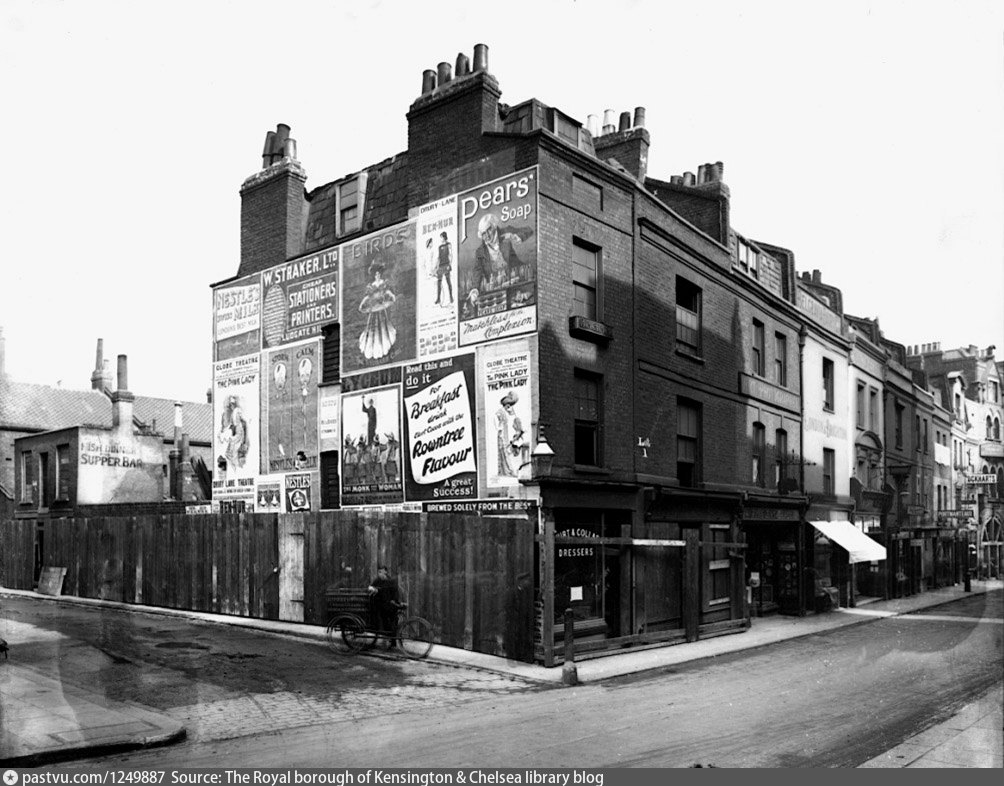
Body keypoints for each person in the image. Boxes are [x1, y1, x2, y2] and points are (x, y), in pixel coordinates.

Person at [473, 213, 534, 292]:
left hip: (516, 279)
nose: (487, 235)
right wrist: (474, 289)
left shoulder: (505, 232)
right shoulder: (480, 252)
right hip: (497, 288)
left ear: (494, 226)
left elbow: (529, 230)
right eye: (483, 233)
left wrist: (514, 236)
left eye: (489, 230)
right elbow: (476, 272)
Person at [358, 259, 397, 361]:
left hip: (381, 308)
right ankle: (373, 347)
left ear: (381, 274)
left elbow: (388, 292)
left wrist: (391, 296)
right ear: (374, 275)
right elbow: (367, 297)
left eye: (379, 274)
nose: (377, 275)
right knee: (372, 327)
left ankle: (384, 343)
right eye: (376, 274)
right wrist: (363, 304)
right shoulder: (372, 286)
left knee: (383, 325)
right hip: (374, 309)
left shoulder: (383, 283)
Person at [367, 565, 401, 645]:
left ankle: (393, 641)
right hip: (381, 605)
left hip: (390, 605)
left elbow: (395, 592)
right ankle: (388, 637)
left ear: (386, 572)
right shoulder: (378, 580)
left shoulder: (391, 581)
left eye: (381, 572)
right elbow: (370, 587)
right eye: (379, 572)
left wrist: (394, 601)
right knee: (384, 621)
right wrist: (372, 589)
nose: (380, 574)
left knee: (393, 622)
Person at [494, 391, 526, 477]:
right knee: (504, 451)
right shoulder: (500, 412)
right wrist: (500, 430)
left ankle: (509, 470)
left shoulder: (508, 413)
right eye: (509, 406)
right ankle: (507, 471)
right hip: (502, 435)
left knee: (507, 451)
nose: (510, 408)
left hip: (507, 435)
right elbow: (497, 423)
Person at [435, 231, 453, 305]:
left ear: (444, 237)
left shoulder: (448, 245)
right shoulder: (439, 247)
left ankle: (451, 297)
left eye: (442, 237)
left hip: (446, 265)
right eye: (440, 237)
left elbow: (451, 255)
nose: (441, 239)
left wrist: (450, 264)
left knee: (448, 281)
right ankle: (438, 298)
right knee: (439, 283)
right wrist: (436, 267)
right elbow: (438, 258)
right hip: (440, 266)